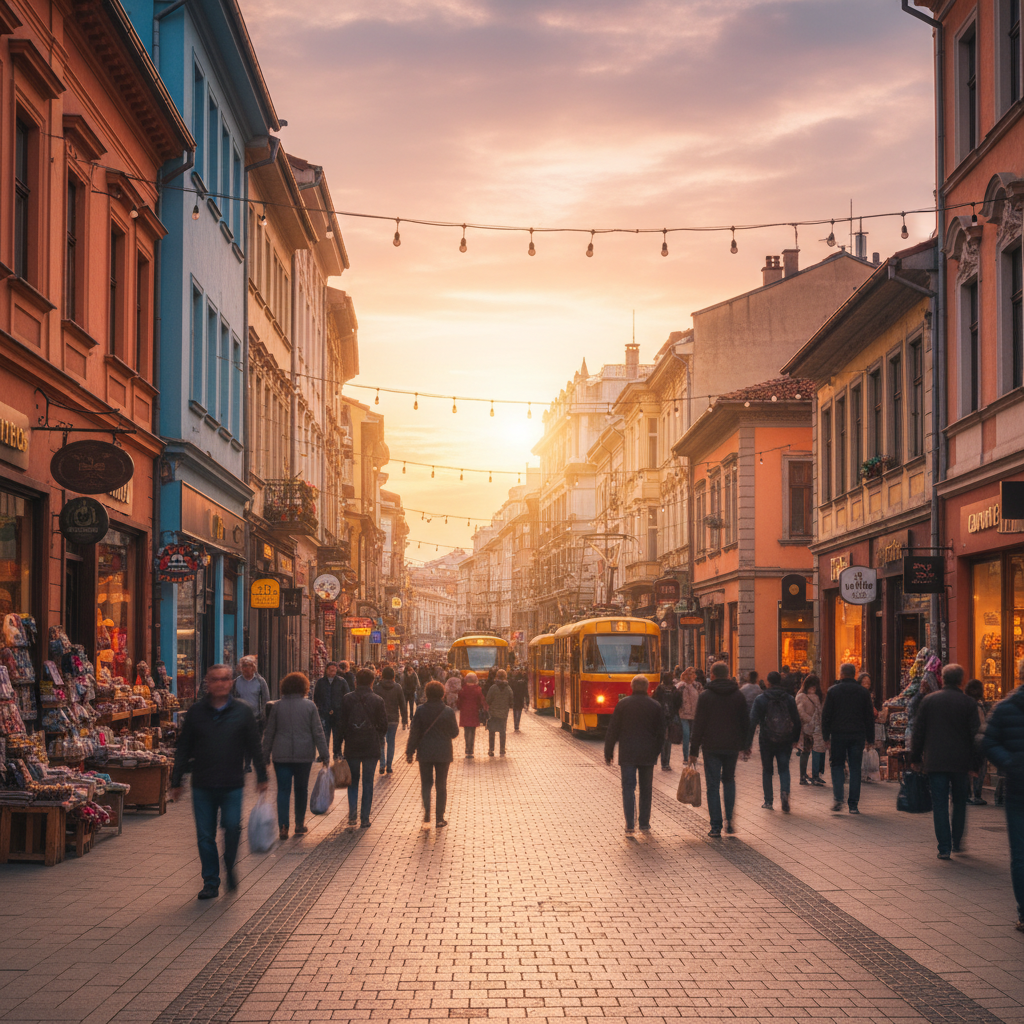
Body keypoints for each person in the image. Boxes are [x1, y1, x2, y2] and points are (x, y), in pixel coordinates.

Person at [171, 664, 267, 899]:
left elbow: (255, 745)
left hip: (232, 783)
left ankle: (230, 865)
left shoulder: (242, 712)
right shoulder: (196, 713)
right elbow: (183, 747)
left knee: (232, 827)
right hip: (202, 783)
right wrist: (176, 780)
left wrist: (262, 776)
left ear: (231, 683)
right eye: (215, 679)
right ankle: (211, 881)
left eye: (225, 679)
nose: (221, 683)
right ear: (208, 683)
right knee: (205, 835)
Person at [910, 663, 980, 859]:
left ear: (942, 678)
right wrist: (975, 765)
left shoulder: (929, 701)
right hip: (961, 762)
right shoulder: (968, 703)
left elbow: (918, 732)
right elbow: (975, 735)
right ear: (961, 680)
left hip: (936, 760)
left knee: (939, 804)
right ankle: (957, 842)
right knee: (959, 802)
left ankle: (944, 847)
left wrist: (915, 758)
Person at [262, 672, 329, 840]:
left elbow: (269, 733)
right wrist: (325, 754)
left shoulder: (277, 706)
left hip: (281, 755)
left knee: (283, 790)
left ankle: (283, 826)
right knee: (301, 789)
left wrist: (264, 756)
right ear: (304, 687)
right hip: (304, 755)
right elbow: (318, 732)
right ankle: (299, 824)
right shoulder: (310, 706)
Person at [983, 661, 1024, 931]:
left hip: (1017, 789)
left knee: (1020, 854)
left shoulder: (1005, 707)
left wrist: (1008, 763)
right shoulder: (1006, 708)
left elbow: (988, 742)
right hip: (1017, 791)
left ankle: (1023, 911)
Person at [689, 661, 750, 837]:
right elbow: (745, 722)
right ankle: (729, 821)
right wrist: (745, 745)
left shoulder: (706, 696)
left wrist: (693, 751)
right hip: (732, 746)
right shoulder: (738, 695)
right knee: (729, 781)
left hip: (711, 746)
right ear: (728, 673)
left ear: (712, 675)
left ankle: (716, 826)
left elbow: (698, 725)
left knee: (713, 786)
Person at [604, 674, 665, 833]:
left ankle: (630, 824)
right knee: (646, 789)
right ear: (646, 687)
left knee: (628, 788)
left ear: (632, 687)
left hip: (628, 753)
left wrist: (608, 751)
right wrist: (656, 752)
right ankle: (644, 823)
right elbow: (661, 733)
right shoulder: (655, 706)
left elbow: (613, 729)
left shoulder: (623, 704)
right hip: (647, 754)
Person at [821, 662, 876, 814]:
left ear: (841, 674)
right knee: (855, 768)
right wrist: (870, 739)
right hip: (857, 735)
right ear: (854, 674)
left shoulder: (833, 691)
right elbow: (868, 717)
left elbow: (826, 716)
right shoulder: (863, 693)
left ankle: (839, 798)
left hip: (838, 734)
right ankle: (853, 805)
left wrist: (826, 736)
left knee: (837, 765)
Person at [336, 668, 388, 827]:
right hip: (371, 746)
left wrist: (337, 748)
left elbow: (340, 725)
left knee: (352, 782)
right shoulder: (378, 700)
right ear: (373, 682)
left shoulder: (347, 699)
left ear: (356, 681)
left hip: (352, 745)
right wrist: (377, 736)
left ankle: (352, 815)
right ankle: (365, 818)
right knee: (367, 782)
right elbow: (384, 725)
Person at [406, 680, 460, 826]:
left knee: (426, 783)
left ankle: (427, 813)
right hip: (443, 753)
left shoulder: (420, 710)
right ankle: (440, 818)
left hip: (425, 753)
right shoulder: (448, 711)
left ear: (427, 693)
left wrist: (409, 751)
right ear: (442, 694)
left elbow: (414, 733)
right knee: (441, 785)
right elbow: (455, 733)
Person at [749, 670, 802, 812]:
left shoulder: (761, 699)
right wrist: (795, 738)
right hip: (785, 738)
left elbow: (752, 721)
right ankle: (784, 792)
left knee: (767, 770)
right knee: (784, 768)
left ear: (768, 682)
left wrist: (747, 744)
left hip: (766, 738)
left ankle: (768, 801)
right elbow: (796, 720)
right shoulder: (789, 698)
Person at [233, 656, 270, 773]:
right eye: (243, 666)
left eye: (247, 666)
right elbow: (232, 698)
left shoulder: (260, 682)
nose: (245, 669)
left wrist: (264, 715)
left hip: (256, 717)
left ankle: (252, 763)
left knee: (254, 742)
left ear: (253, 667)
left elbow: (265, 699)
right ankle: (246, 764)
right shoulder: (236, 682)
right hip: (240, 717)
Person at [374, 666, 408, 773]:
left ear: (382, 675)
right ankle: (389, 766)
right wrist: (404, 719)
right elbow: (402, 704)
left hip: (380, 719)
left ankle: (382, 764)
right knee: (391, 742)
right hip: (393, 719)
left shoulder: (377, 687)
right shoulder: (397, 687)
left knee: (381, 742)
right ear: (393, 676)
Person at [313, 662, 349, 757]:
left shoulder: (341, 682)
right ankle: (323, 754)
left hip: (338, 713)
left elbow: (346, 696)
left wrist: (341, 708)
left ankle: (337, 752)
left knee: (338, 734)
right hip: (324, 713)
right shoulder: (321, 682)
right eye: (330, 669)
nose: (332, 671)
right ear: (326, 670)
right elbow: (316, 696)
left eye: (334, 670)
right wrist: (322, 707)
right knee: (324, 734)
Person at [795, 675, 826, 786]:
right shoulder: (806, 696)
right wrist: (811, 721)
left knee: (809, 752)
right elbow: (801, 712)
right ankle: (806, 776)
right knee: (807, 752)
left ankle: (807, 775)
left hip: (810, 728)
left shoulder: (801, 695)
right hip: (810, 728)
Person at [965, 679, 989, 805]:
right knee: (980, 768)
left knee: (967, 769)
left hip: (965, 742)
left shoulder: (963, 703)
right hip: (977, 741)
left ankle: (967, 794)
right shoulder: (977, 706)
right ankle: (977, 795)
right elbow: (981, 724)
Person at [653, 671, 683, 770]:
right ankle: (666, 762)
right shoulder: (675, 691)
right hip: (671, 717)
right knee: (668, 740)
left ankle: (661, 761)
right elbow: (679, 703)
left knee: (662, 739)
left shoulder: (659, 689)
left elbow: (654, 701)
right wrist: (674, 711)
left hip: (660, 717)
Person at [457, 672, 487, 757]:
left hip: (465, 712)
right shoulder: (478, 689)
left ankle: (467, 748)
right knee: (472, 731)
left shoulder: (463, 689)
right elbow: (481, 700)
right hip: (474, 711)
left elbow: (459, 701)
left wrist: (460, 707)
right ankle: (471, 749)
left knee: (466, 731)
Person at [485, 669, 514, 756]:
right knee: (502, 731)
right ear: (505, 677)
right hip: (503, 714)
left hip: (493, 713)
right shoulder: (508, 688)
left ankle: (491, 749)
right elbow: (511, 701)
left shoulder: (493, 688)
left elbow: (488, 699)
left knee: (492, 731)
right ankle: (502, 749)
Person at [677, 668, 700, 762]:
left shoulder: (697, 686)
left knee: (694, 737)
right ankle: (686, 757)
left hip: (695, 714)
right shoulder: (680, 686)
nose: (692, 676)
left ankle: (694, 756)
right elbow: (676, 699)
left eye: (693, 674)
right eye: (690, 674)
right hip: (684, 715)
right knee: (686, 736)